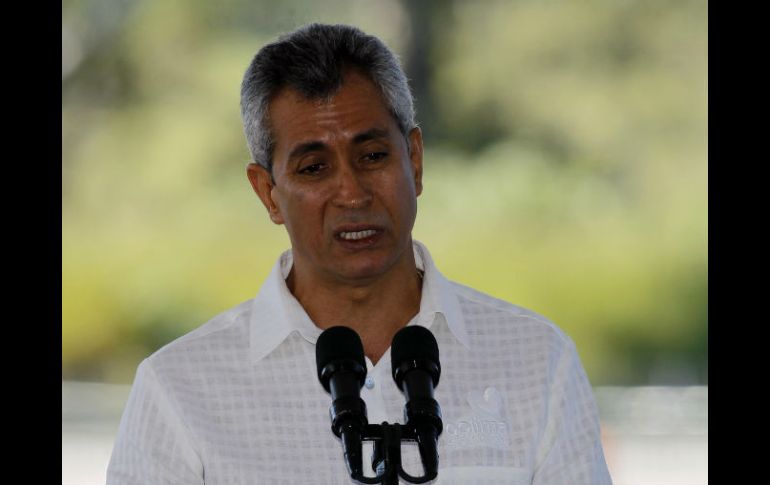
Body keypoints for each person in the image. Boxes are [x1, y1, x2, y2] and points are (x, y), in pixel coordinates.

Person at [107, 23, 612, 484]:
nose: (352, 193)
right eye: (313, 168)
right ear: (268, 194)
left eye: (372, 156)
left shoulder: (538, 360)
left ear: (414, 161)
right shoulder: (179, 391)